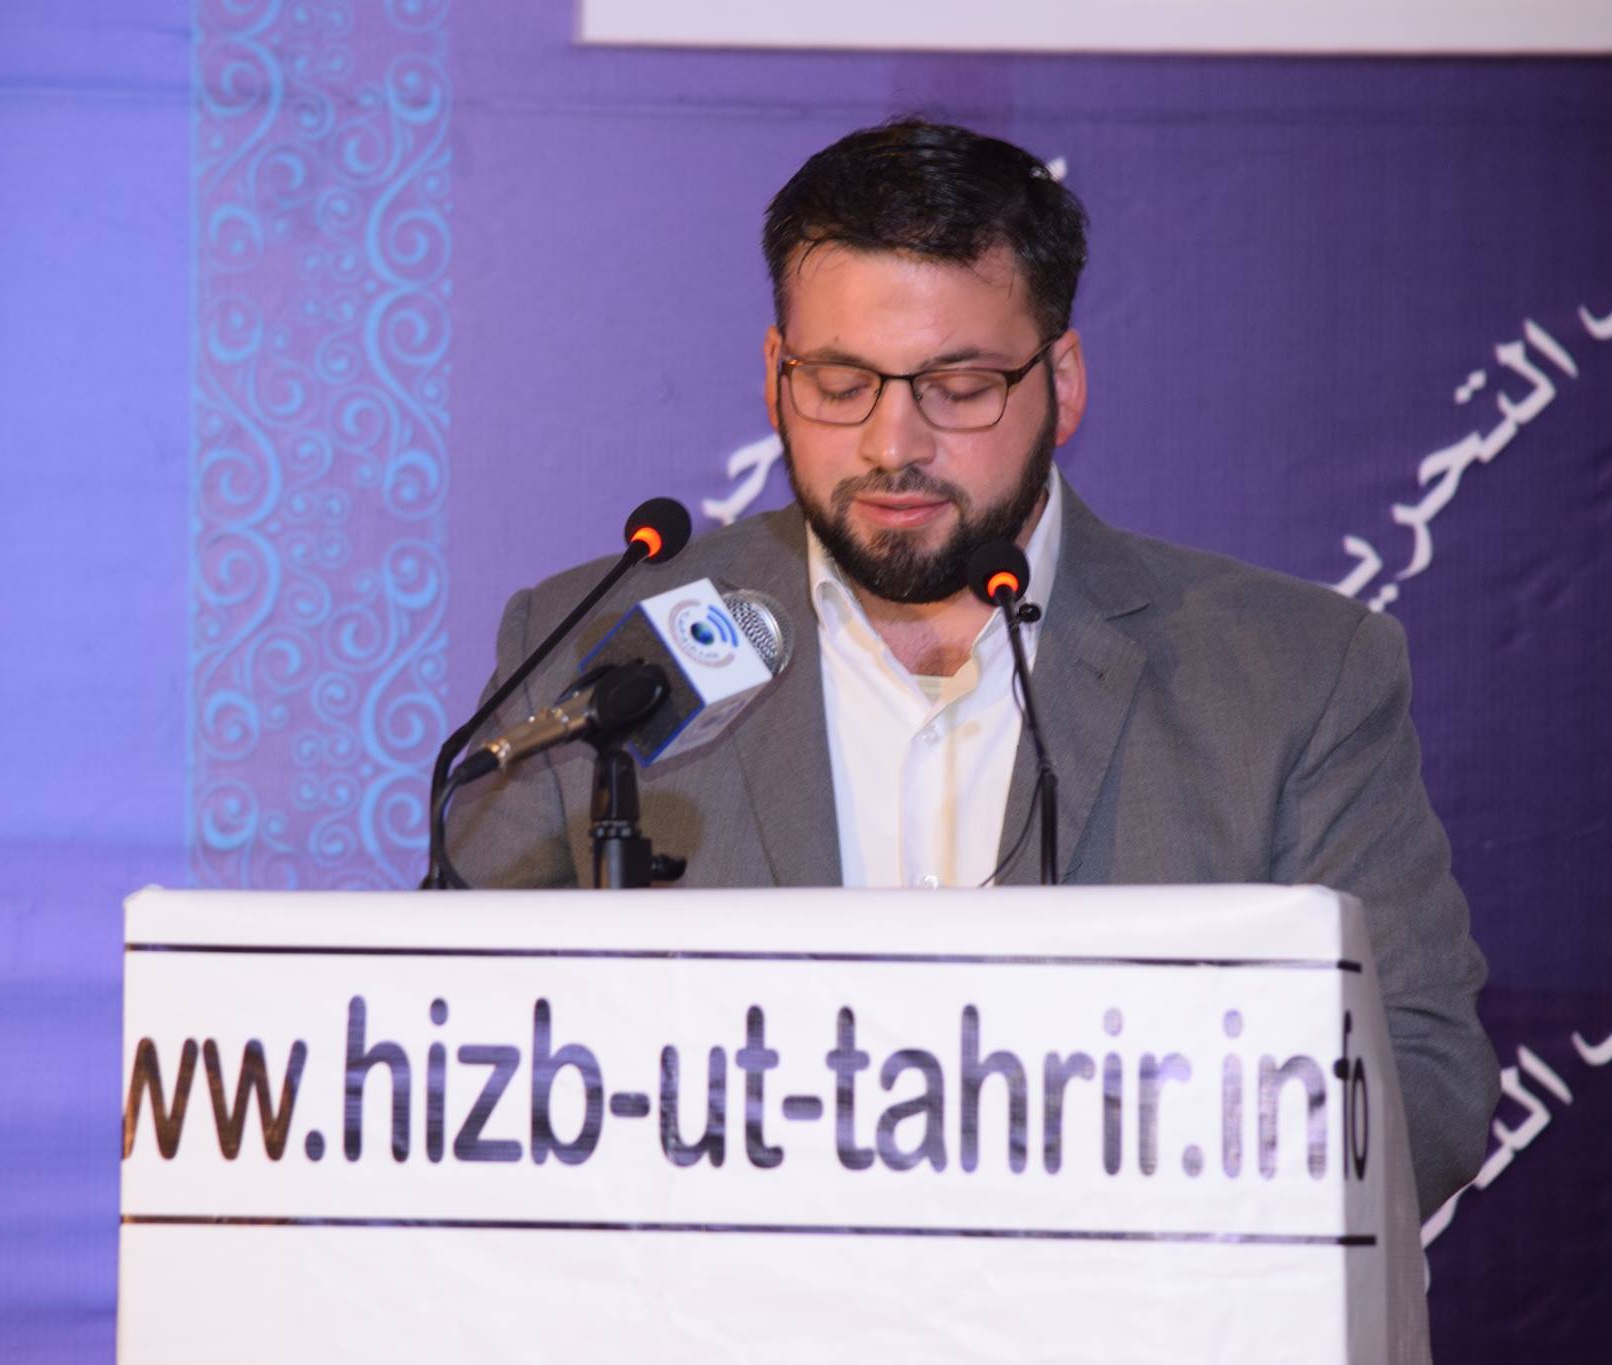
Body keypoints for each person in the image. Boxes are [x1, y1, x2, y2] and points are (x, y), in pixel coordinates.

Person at [446, 119, 1496, 1217]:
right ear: (773, 377)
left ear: (1062, 381)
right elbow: (451, 1055)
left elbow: (1420, 1084)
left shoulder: (1294, 677)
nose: (892, 444)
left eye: (957, 386)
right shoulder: (594, 650)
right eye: (839, 382)